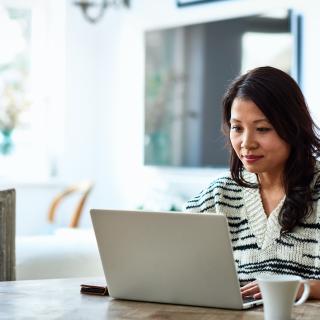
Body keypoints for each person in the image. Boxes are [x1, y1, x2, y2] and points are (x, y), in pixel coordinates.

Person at [185, 66, 320, 300]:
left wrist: (297, 289)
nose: (246, 143)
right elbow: (173, 261)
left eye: (262, 129)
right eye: (237, 128)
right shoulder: (219, 194)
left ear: (293, 127)